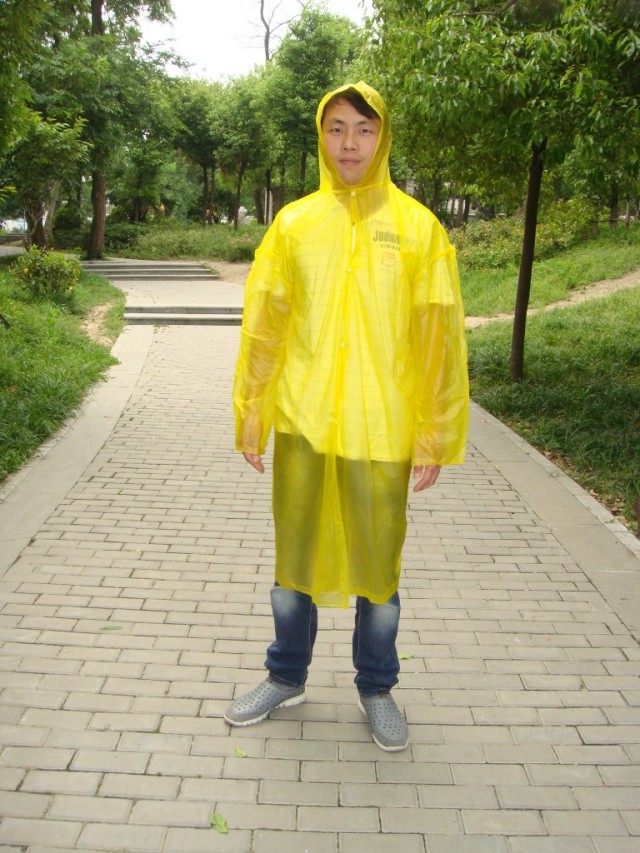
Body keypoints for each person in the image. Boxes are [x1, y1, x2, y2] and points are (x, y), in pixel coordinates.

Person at [226, 81, 468, 751]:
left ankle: (377, 687)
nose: (350, 143)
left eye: (363, 128)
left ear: (382, 137)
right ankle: (285, 675)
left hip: (381, 430)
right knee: (293, 559)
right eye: (336, 128)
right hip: (305, 423)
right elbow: (264, 327)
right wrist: (252, 411)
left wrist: (434, 431)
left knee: (379, 566)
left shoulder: (418, 229)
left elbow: (438, 340)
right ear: (321, 136)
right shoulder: (294, 225)